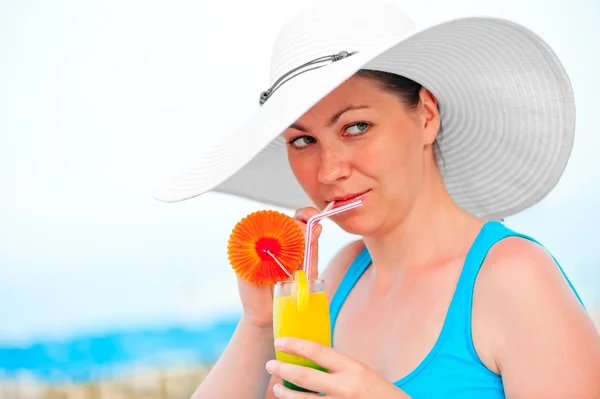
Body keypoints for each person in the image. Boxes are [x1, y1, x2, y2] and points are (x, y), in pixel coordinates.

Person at [155, 0, 600, 397]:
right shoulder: (339, 281)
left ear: (426, 116)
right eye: (303, 140)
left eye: (356, 127)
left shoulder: (513, 280)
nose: (329, 171)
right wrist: (259, 322)